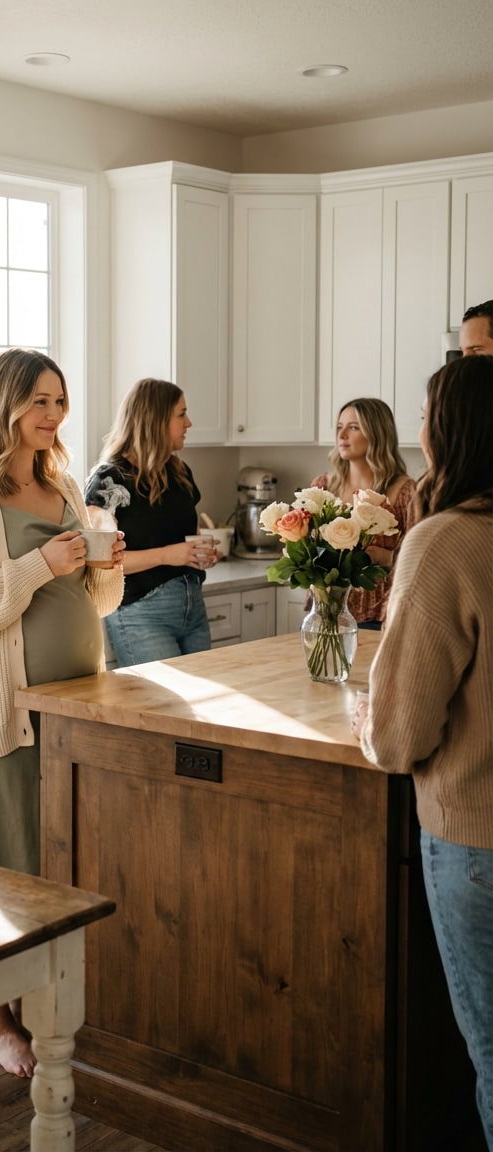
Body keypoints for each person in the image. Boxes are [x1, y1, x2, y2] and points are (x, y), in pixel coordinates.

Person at [0, 348, 124, 1078]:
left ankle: (47, 999)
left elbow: (94, 603)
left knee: (54, 863)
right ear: (3, 404)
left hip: (73, 703)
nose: (52, 414)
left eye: (60, 401)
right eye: (39, 400)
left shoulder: (63, 484)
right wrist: (43, 565)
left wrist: (106, 567)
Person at [353, 355, 493, 1148]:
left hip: (475, 835)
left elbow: (403, 736)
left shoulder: (442, 543)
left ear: (452, 436)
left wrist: (371, 719)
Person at [84, 378, 217, 668]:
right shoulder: (110, 481)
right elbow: (100, 561)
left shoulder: (179, 472)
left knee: (206, 706)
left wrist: (200, 552)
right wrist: (170, 555)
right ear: (155, 420)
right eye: (181, 414)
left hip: (192, 605)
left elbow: (188, 535)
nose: (189, 423)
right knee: (164, 709)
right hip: (140, 612)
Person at [310, 397, 416, 628]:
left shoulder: (404, 492)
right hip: (324, 611)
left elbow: (418, 563)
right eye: (339, 427)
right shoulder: (322, 487)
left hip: (379, 616)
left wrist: (381, 556)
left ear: (377, 433)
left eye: (354, 427)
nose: (342, 435)